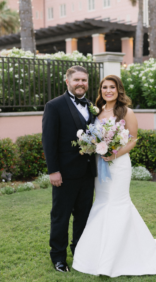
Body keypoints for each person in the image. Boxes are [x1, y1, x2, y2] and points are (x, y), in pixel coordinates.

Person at [72, 75, 156, 277]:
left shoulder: (126, 112)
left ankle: (121, 256)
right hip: (100, 164)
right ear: (101, 91)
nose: (108, 90)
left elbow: (133, 139)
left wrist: (114, 153)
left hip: (119, 164)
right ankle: (96, 254)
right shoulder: (96, 112)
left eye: (112, 87)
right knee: (102, 203)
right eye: (104, 87)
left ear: (118, 89)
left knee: (118, 203)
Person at [42, 66, 97, 273]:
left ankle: (80, 253)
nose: (80, 83)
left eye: (84, 80)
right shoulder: (54, 106)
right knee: (61, 216)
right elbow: (49, 141)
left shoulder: (91, 106)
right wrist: (53, 170)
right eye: (76, 80)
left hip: (87, 174)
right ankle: (58, 258)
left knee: (83, 216)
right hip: (64, 174)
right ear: (67, 82)